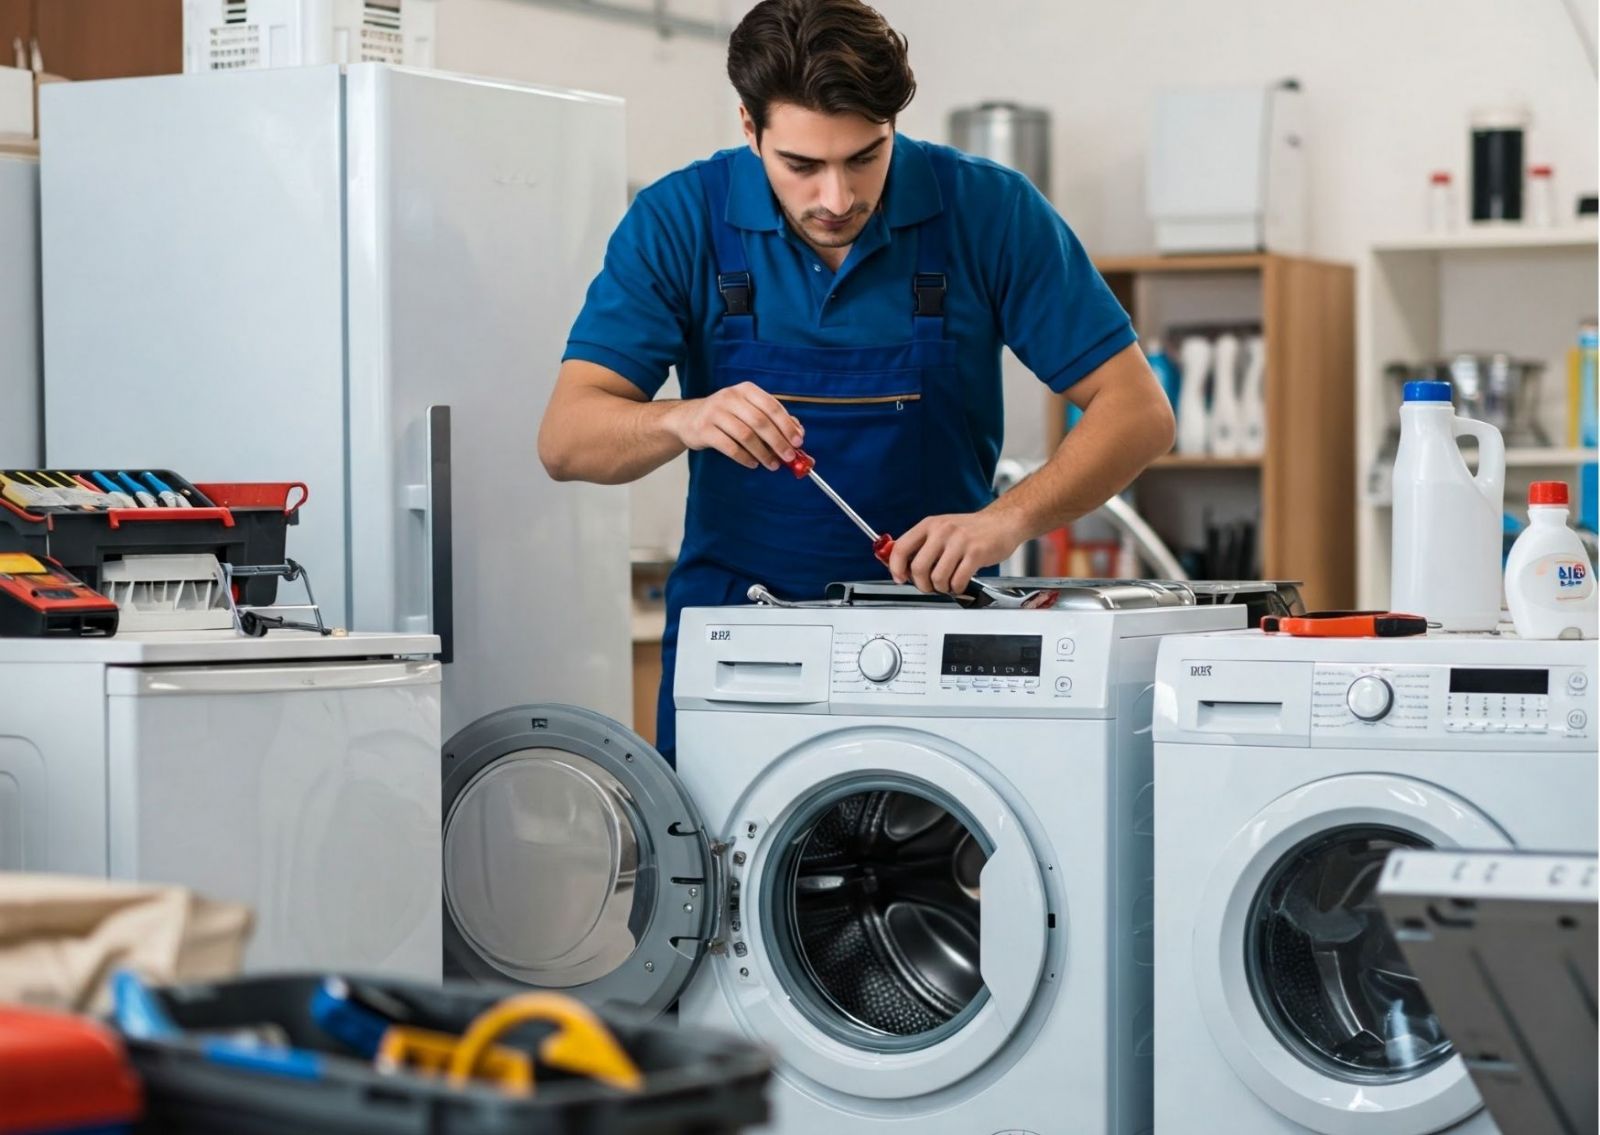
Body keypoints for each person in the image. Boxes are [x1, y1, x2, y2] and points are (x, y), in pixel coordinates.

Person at [539, 0, 1174, 763]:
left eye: (865, 157)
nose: (836, 199)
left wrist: (1005, 521)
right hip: (741, 647)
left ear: (894, 126)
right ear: (750, 129)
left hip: (944, 643)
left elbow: (1138, 412)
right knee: (728, 879)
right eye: (802, 166)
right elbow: (567, 439)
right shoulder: (679, 221)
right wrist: (685, 418)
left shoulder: (989, 211)